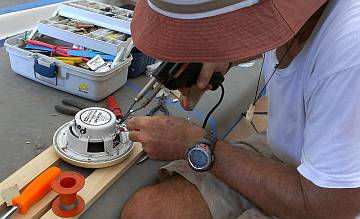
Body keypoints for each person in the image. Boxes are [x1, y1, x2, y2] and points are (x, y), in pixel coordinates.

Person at [121, 0, 360, 218]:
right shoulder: (305, 16)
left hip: (328, 199)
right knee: (146, 213)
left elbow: (329, 206)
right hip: (294, 150)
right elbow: (280, 28)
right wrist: (228, 53)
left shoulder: (349, 50)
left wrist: (194, 145)